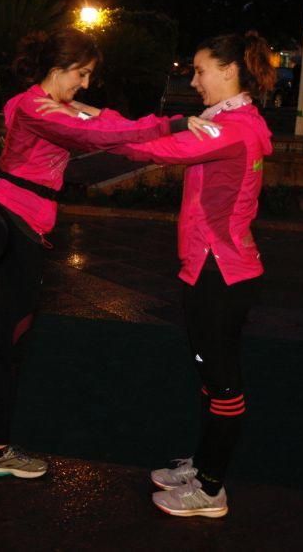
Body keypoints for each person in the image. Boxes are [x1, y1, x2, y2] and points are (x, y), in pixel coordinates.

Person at [0, 28, 211, 479]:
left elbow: (113, 134)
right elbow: (96, 136)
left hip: (34, 227)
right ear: (57, 67)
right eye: (81, 74)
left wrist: (177, 149)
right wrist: (169, 122)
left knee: (13, 343)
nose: (85, 84)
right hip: (0, 201)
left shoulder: (64, 108)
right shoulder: (32, 105)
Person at [107, 32, 275, 518]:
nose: (194, 80)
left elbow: (158, 150)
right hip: (212, 266)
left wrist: (93, 128)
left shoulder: (232, 129)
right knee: (211, 378)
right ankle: (203, 466)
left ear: (229, 72)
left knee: (223, 384)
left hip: (219, 272)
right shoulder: (230, 122)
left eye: (201, 70)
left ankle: (211, 490)